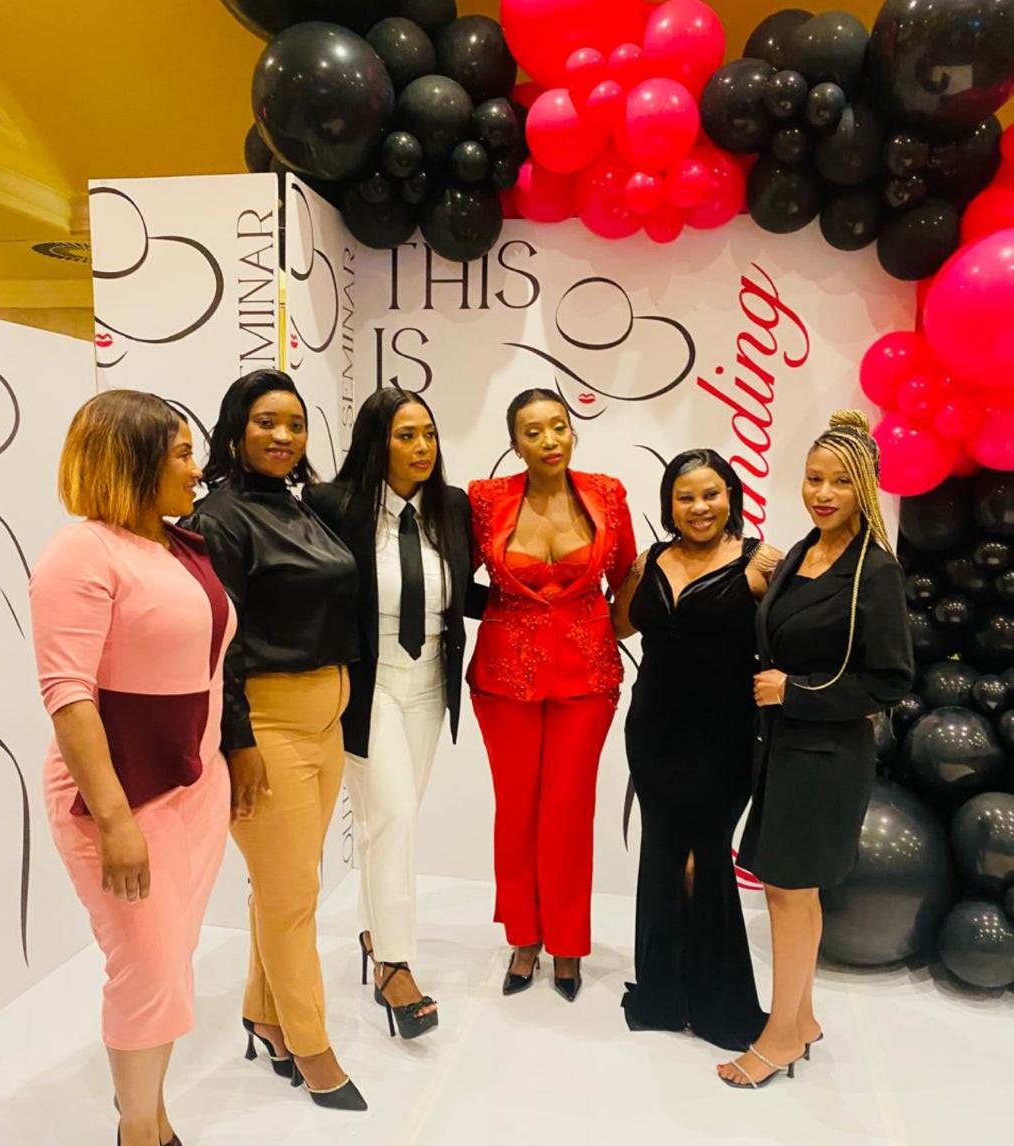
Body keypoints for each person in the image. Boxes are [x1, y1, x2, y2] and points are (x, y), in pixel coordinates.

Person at [30, 390, 235, 1146]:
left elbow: (209, 672)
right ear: (134, 461)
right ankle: (137, 1126)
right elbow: (68, 696)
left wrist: (222, 766)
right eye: (181, 452)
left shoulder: (181, 544)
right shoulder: (80, 553)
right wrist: (114, 820)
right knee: (145, 968)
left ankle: (148, 1100)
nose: (197, 467)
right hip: (117, 799)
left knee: (171, 964)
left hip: (195, 787)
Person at [183, 370, 366, 1111]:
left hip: (326, 717)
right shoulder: (217, 519)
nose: (283, 436)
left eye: (294, 423)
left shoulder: (298, 505)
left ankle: (264, 1014)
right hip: (267, 723)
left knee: (285, 887)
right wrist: (239, 742)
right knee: (294, 897)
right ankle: (313, 1046)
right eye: (266, 422)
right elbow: (216, 644)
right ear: (234, 431)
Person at [719, 411, 914, 1089]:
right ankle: (800, 1020)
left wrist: (794, 692)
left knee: (787, 891)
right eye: (812, 479)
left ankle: (778, 1037)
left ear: (865, 488)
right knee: (790, 891)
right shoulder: (802, 552)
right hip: (781, 748)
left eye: (839, 482)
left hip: (826, 756)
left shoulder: (875, 572)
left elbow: (890, 681)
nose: (822, 493)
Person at [304, 388, 482, 1040]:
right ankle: (395, 965)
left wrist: (540, 605)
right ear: (376, 443)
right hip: (368, 682)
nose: (422, 447)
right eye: (406, 436)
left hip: (430, 681)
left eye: (428, 434)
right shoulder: (332, 505)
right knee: (396, 815)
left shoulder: (452, 508)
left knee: (389, 822)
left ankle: (373, 931)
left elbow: (460, 592)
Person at [468, 389, 636, 1001]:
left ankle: (567, 942)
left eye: (558, 427)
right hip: (504, 676)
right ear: (515, 443)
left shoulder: (607, 494)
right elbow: (454, 577)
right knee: (516, 809)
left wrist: (608, 631)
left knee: (568, 808)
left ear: (573, 431)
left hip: (587, 677)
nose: (549, 441)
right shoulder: (486, 500)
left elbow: (628, 578)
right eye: (533, 431)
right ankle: (523, 936)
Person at [612, 449, 781, 1051]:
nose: (699, 507)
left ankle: (717, 1005)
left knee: (704, 856)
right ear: (669, 505)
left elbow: (793, 637)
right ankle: (664, 995)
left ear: (730, 495)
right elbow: (619, 626)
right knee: (663, 852)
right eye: (685, 497)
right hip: (654, 730)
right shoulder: (650, 560)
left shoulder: (760, 562)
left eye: (711, 494)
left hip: (725, 735)